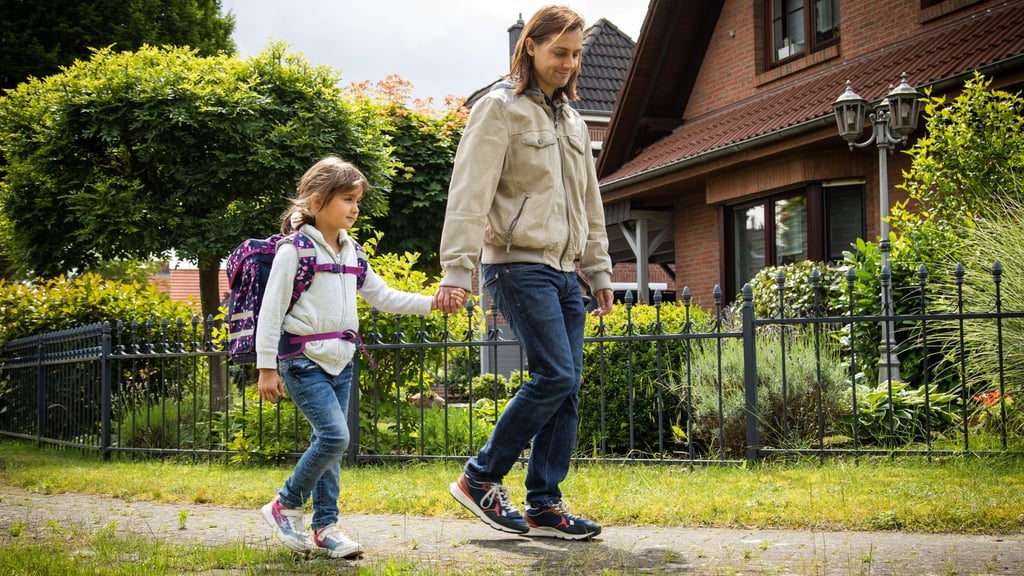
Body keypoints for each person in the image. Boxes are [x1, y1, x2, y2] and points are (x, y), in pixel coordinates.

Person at [435, 5, 614, 541]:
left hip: (565, 270)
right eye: (560, 52)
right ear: (530, 47)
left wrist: (599, 270)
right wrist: (456, 270)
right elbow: (469, 192)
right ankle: (480, 477)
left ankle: (544, 505)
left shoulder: (573, 120)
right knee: (554, 375)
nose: (569, 63)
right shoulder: (498, 109)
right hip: (515, 264)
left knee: (568, 386)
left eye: (576, 54)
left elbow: (589, 202)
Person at [256, 156, 464, 558]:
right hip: (302, 359)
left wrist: (432, 303)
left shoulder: (352, 251)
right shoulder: (294, 251)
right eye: (347, 199)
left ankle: (325, 528)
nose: (355, 208)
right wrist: (266, 368)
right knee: (335, 437)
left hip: (341, 360)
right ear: (318, 201)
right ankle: (285, 503)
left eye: (357, 201)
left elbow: (383, 297)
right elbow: (271, 311)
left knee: (329, 444)